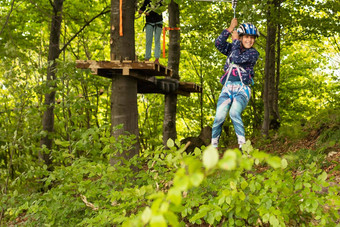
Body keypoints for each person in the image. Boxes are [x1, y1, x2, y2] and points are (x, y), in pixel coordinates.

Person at [211, 18, 260, 150]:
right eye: (246, 37)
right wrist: (230, 28)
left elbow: (237, 58)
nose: (249, 40)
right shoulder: (233, 48)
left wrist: (235, 41)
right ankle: (213, 146)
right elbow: (218, 44)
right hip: (227, 88)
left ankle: (242, 145)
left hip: (242, 89)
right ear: (241, 37)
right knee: (219, 117)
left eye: (252, 38)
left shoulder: (253, 53)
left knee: (234, 113)